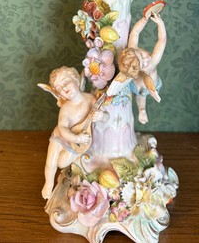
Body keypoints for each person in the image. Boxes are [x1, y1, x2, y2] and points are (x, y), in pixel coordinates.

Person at [39, 66, 108, 200]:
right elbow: (63, 128)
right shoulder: (65, 109)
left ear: (76, 79)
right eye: (59, 88)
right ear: (59, 95)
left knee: (61, 163)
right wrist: (76, 138)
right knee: (51, 162)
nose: (64, 88)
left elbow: (107, 117)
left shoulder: (91, 99)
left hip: (78, 139)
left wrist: (101, 116)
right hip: (61, 137)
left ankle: (76, 165)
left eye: (66, 82)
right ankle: (48, 184)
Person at [116, 12, 166, 124]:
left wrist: (144, 19)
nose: (147, 59)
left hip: (136, 85)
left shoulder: (132, 49)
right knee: (142, 94)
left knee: (141, 94)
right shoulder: (153, 62)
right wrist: (160, 24)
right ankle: (142, 109)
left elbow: (135, 32)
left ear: (134, 51)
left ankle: (142, 109)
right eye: (143, 64)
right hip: (146, 86)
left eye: (142, 55)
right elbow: (162, 40)